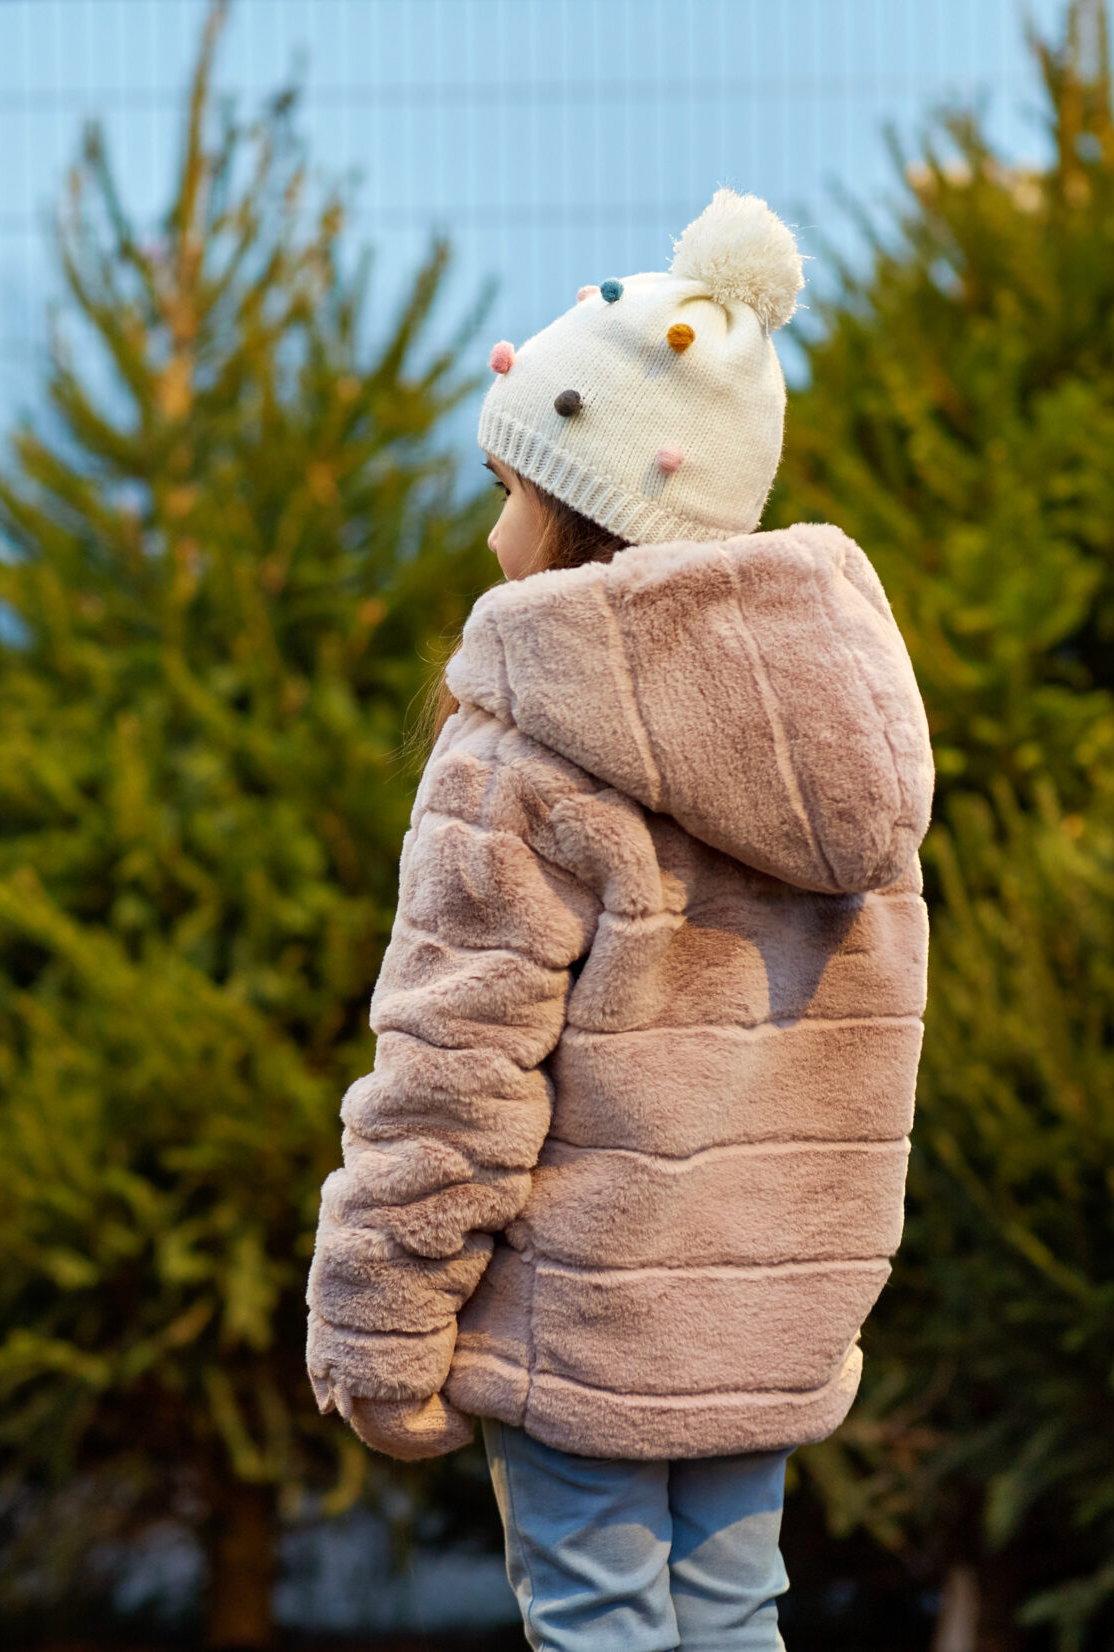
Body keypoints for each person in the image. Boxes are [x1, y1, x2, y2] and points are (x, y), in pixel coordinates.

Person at [305, 189, 933, 1651]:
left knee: (593, 1624)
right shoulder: (844, 735)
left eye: (513, 486)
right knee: (733, 1620)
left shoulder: (520, 745)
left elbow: (452, 1071)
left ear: (586, 508)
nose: (491, 525)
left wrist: (386, 1322)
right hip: (765, 1314)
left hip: (577, 1318)